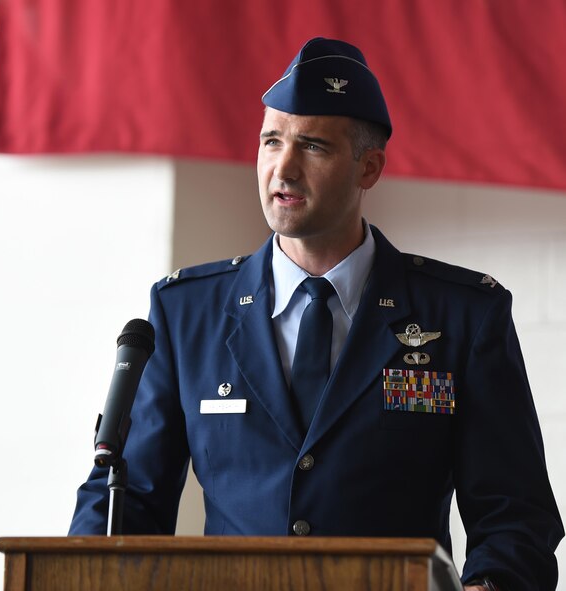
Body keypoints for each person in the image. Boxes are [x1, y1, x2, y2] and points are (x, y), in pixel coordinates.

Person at [69, 37, 563, 590]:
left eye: (313, 147)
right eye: (271, 141)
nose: (284, 168)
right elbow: (126, 498)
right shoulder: (186, 311)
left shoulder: (463, 316)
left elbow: (516, 516)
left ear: (368, 168)